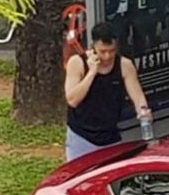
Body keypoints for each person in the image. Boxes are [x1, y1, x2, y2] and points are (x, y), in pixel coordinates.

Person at [64, 22, 151, 161]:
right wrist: (92, 72)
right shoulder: (77, 63)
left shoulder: (124, 65)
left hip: (110, 134)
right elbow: (72, 100)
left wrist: (143, 110)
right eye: (102, 51)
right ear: (94, 47)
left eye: (111, 51)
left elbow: (138, 96)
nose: (107, 57)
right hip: (81, 134)